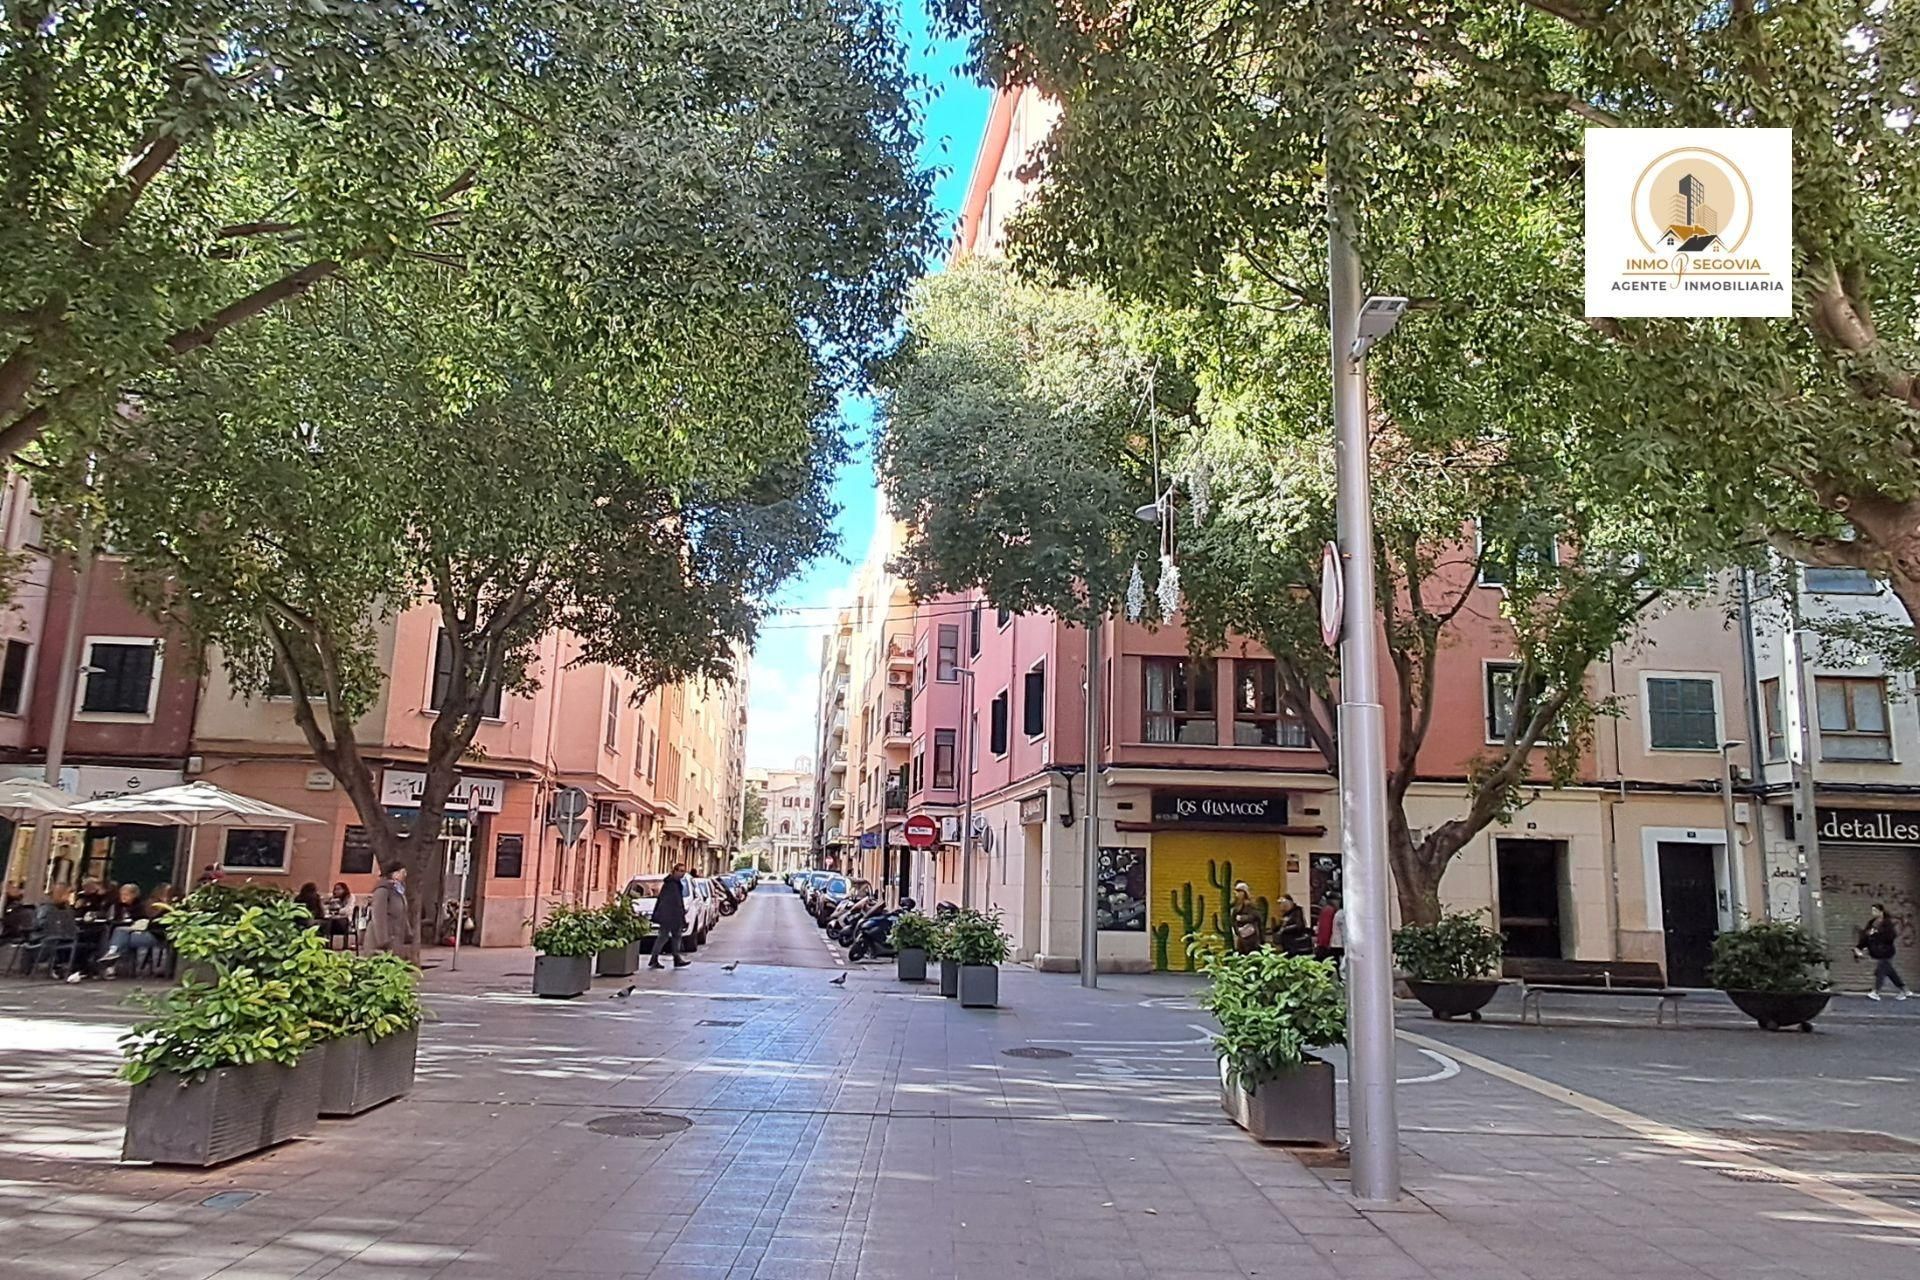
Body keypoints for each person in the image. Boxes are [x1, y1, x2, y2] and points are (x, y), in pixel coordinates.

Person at [95, 884, 159, 974]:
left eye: (127, 894)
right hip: (124, 932)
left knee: (118, 934)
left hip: (139, 932)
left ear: (134, 895)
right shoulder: (118, 905)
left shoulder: (141, 907)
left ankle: (111, 958)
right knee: (114, 936)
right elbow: (111, 916)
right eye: (122, 894)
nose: (123, 897)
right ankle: (112, 960)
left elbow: (142, 921)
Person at [1855, 903, 1910, 1001]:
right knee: (1890, 971)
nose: (1873, 913)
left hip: (1886, 951)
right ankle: (1904, 989)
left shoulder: (1887, 923)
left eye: (1875, 910)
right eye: (1872, 910)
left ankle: (1876, 992)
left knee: (1880, 970)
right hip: (1877, 952)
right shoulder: (1872, 923)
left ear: (1881, 911)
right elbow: (1866, 936)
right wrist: (1859, 946)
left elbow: (1891, 937)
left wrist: (1877, 934)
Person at [28, 884, 80, 977]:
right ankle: (58, 966)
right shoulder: (46, 908)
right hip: (45, 938)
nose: (69, 897)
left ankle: (66, 967)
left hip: (62, 937)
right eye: (67, 894)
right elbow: (39, 924)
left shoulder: (67, 908)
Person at [365, 862, 415, 956]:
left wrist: (408, 933)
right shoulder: (382, 890)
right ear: (394, 874)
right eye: (402, 872)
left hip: (396, 935)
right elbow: (378, 916)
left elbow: (403, 912)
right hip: (383, 938)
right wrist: (383, 940)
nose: (405, 875)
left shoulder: (398, 890)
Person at [649, 861, 691, 969]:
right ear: (675, 871)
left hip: (672, 916)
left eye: (684, 872)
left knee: (672, 937)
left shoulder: (673, 883)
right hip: (670, 917)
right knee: (664, 937)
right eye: (680, 871)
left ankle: (675, 958)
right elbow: (671, 903)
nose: (682, 874)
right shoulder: (671, 885)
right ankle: (656, 959)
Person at [1229, 881, 1265, 955]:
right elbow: (1233, 920)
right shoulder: (1237, 906)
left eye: (1239, 891)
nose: (1237, 894)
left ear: (1244, 892)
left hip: (1251, 937)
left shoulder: (1251, 905)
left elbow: (1256, 917)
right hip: (1241, 936)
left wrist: (1242, 918)